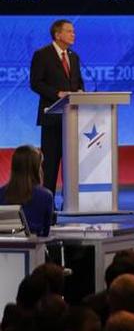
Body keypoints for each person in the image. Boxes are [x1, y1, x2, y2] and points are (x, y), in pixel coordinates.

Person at [29, 18, 84, 195]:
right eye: (69, 31)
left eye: (73, 31)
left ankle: (70, 201)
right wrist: (57, 94)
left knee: (72, 164)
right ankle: (47, 203)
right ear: (57, 34)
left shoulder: (73, 56)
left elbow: (78, 82)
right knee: (51, 164)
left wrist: (81, 92)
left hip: (72, 119)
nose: (73, 34)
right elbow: (36, 83)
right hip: (52, 118)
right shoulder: (42, 54)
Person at [1, 145, 53, 236]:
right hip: (34, 248)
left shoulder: (1, 193)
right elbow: (45, 233)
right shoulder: (46, 196)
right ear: (36, 169)